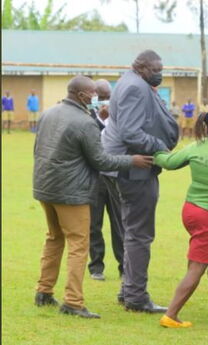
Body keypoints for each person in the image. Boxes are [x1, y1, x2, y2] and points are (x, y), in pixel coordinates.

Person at [33, 75, 154, 319]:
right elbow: (101, 160)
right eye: (92, 93)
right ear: (80, 95)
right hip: (71, 192)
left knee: (54, 238)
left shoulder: (49, 113)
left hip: (45, 187)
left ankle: (44, 291)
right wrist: (132, 160)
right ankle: (73, 302)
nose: (95, 98)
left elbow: (38, 149)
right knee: (79, 244)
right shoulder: (85, 122)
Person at [101, 49, 179, 313]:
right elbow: (132, 132)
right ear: (143, 67)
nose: (160, 73)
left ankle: (128, 289)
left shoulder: (131, 82)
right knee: (139, 233)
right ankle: (136, 296)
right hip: (134, 167)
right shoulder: (136, 88)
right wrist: (160, 147)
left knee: (131, 231)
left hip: (122, 166)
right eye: (156, 69)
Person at [154, 112, 208, 328]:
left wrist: (153, 152)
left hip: (192, 210)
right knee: (198, 265)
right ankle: (171, 314)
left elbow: (169, 162)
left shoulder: (198, 146)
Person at [87, 79, 125, 281]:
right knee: (94, 223)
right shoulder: (88, 115)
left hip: (114, 176)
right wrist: (100, 120)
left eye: (107, 97)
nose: (104, 101)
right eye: (100, 98)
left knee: (119, 223)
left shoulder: (119, 116)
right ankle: (96, 266)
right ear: (94, 98)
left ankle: (124, 266)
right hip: (94, 177)